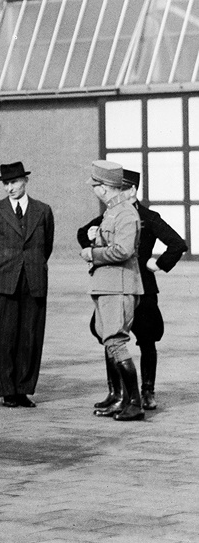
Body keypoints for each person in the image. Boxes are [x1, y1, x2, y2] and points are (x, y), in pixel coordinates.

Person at [79, 168, 186, 411]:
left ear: (133, 189)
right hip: (114, 285)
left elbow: (178, 244)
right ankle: (116, 392)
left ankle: (146, 392)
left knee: (146, 339)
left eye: (124, 187)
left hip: (142, 287)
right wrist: (90, 239)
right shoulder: (111, 213)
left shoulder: (146, 216)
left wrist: (158, 264)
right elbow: (83, 234)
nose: (120, 192)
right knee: (110, 337)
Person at [0, 161, 55, 408]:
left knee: (30, 336)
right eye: (6, 184)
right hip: (3, 280)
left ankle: (23, 389)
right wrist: (4, 266)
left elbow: (47, 247)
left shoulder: (43, 211)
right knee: (5, 336)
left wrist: (31, 265)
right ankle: (6, 390)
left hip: (33, 281)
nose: (10, 188)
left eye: (14, 182)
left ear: (25, 181)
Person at [81, 160, 144, 421]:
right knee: (109, 340)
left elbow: (123, 250)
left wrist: (92, 252)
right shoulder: (113, 212)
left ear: (105, 188)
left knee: (116, 343)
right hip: (109, 286)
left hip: (118, 287)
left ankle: (135, 403)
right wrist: (97, 238)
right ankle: (122, 400)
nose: (94, 190)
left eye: (95, 186)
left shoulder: (126, 214)